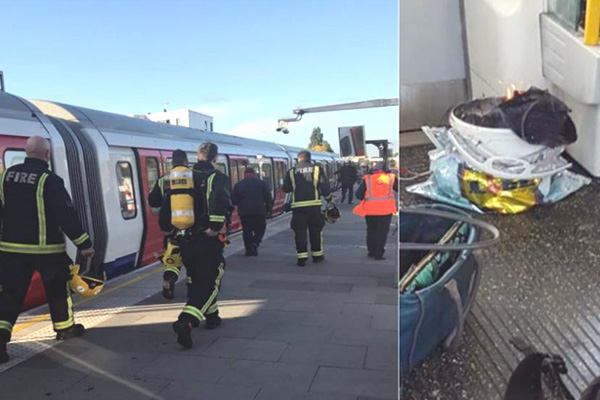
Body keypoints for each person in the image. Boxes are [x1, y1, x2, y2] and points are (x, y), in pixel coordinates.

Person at [0, 136, 95, 363]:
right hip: (47, 250)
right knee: (58, 290)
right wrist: (84, 244)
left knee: (9, 296)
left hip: (11, 250)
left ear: (26, 152)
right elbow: (66, 215)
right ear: (47, 154)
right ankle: (64, 328)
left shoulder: (5, 177)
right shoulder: (49, 180)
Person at [159, 142, 231, 349]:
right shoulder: (217, 177)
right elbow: (219, 199)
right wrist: (215, 227)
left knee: (200, 279)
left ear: (196, 157)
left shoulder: (181, 178)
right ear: (215, 159)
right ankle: (186, 321)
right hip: (206, 239)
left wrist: (167, 229)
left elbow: (165, 204)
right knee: (211, 280)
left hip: (184, 240)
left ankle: (213, 316)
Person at [148, 150, 192, 300]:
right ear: (186, 162)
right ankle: (191, 289)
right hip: (192, 227)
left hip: (171, 229)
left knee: (172, 259)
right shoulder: (194, 177)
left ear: (172, 162)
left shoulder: (164, 180)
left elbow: (153, 202)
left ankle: (169, 281)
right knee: (192, 262)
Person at [283, 150, 332, 266]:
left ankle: (302, 258)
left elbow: (286, 189)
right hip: (314, 206)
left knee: (300, 233)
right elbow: (324, 186)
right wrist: (329, 198)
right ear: (309, 158)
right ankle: (317, 256)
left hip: (298, 208)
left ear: (298, 159)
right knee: (316, 231)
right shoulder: (317, 169)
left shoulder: (291, 172)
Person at [353, 162, 398, 261]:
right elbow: (399, 189)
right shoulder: (391, 178)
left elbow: (359, 195)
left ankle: (371, 252)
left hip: (370, 210)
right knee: (382, 232)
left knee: (371, 230)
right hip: (386, 211)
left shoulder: (368, 179)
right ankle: (379, 254)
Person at [232, 167, 273, 256]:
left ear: (244, 174)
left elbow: (234, 201)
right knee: (260, 229)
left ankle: (248, 250)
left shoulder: (238, 185)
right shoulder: (262, 184)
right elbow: (268, 198)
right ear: (254, 174)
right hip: (259, 211)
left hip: (244, 212)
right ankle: (255, 242)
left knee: (247, 231)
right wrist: (269, 210)